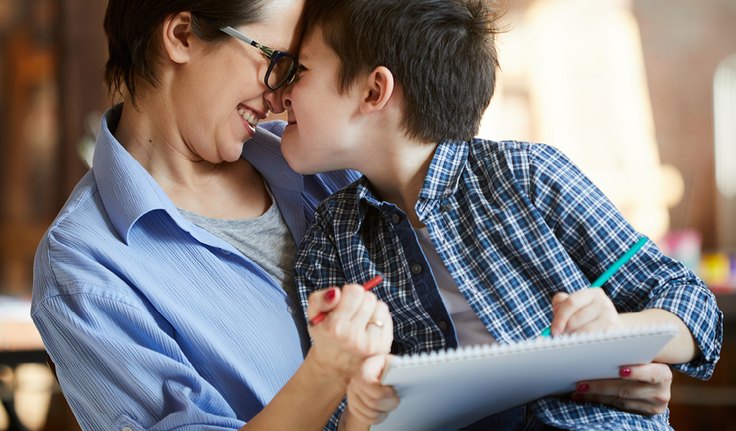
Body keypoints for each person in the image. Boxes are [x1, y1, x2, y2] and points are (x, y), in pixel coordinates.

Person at [282, 0, 724, 429]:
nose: (280, 89)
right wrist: (364, 408)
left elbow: (693, 302)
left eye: (299, 70)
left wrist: (615, 330)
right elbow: (337, 415)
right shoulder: (333, 237)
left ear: (374, 90)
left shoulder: (526, 175)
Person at [31, 1, 394, 430]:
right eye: (276, 61)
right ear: (183, 36)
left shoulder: (324, 164)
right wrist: (327, 374)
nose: (281, 97)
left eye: (297, 71)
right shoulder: (84, 268)